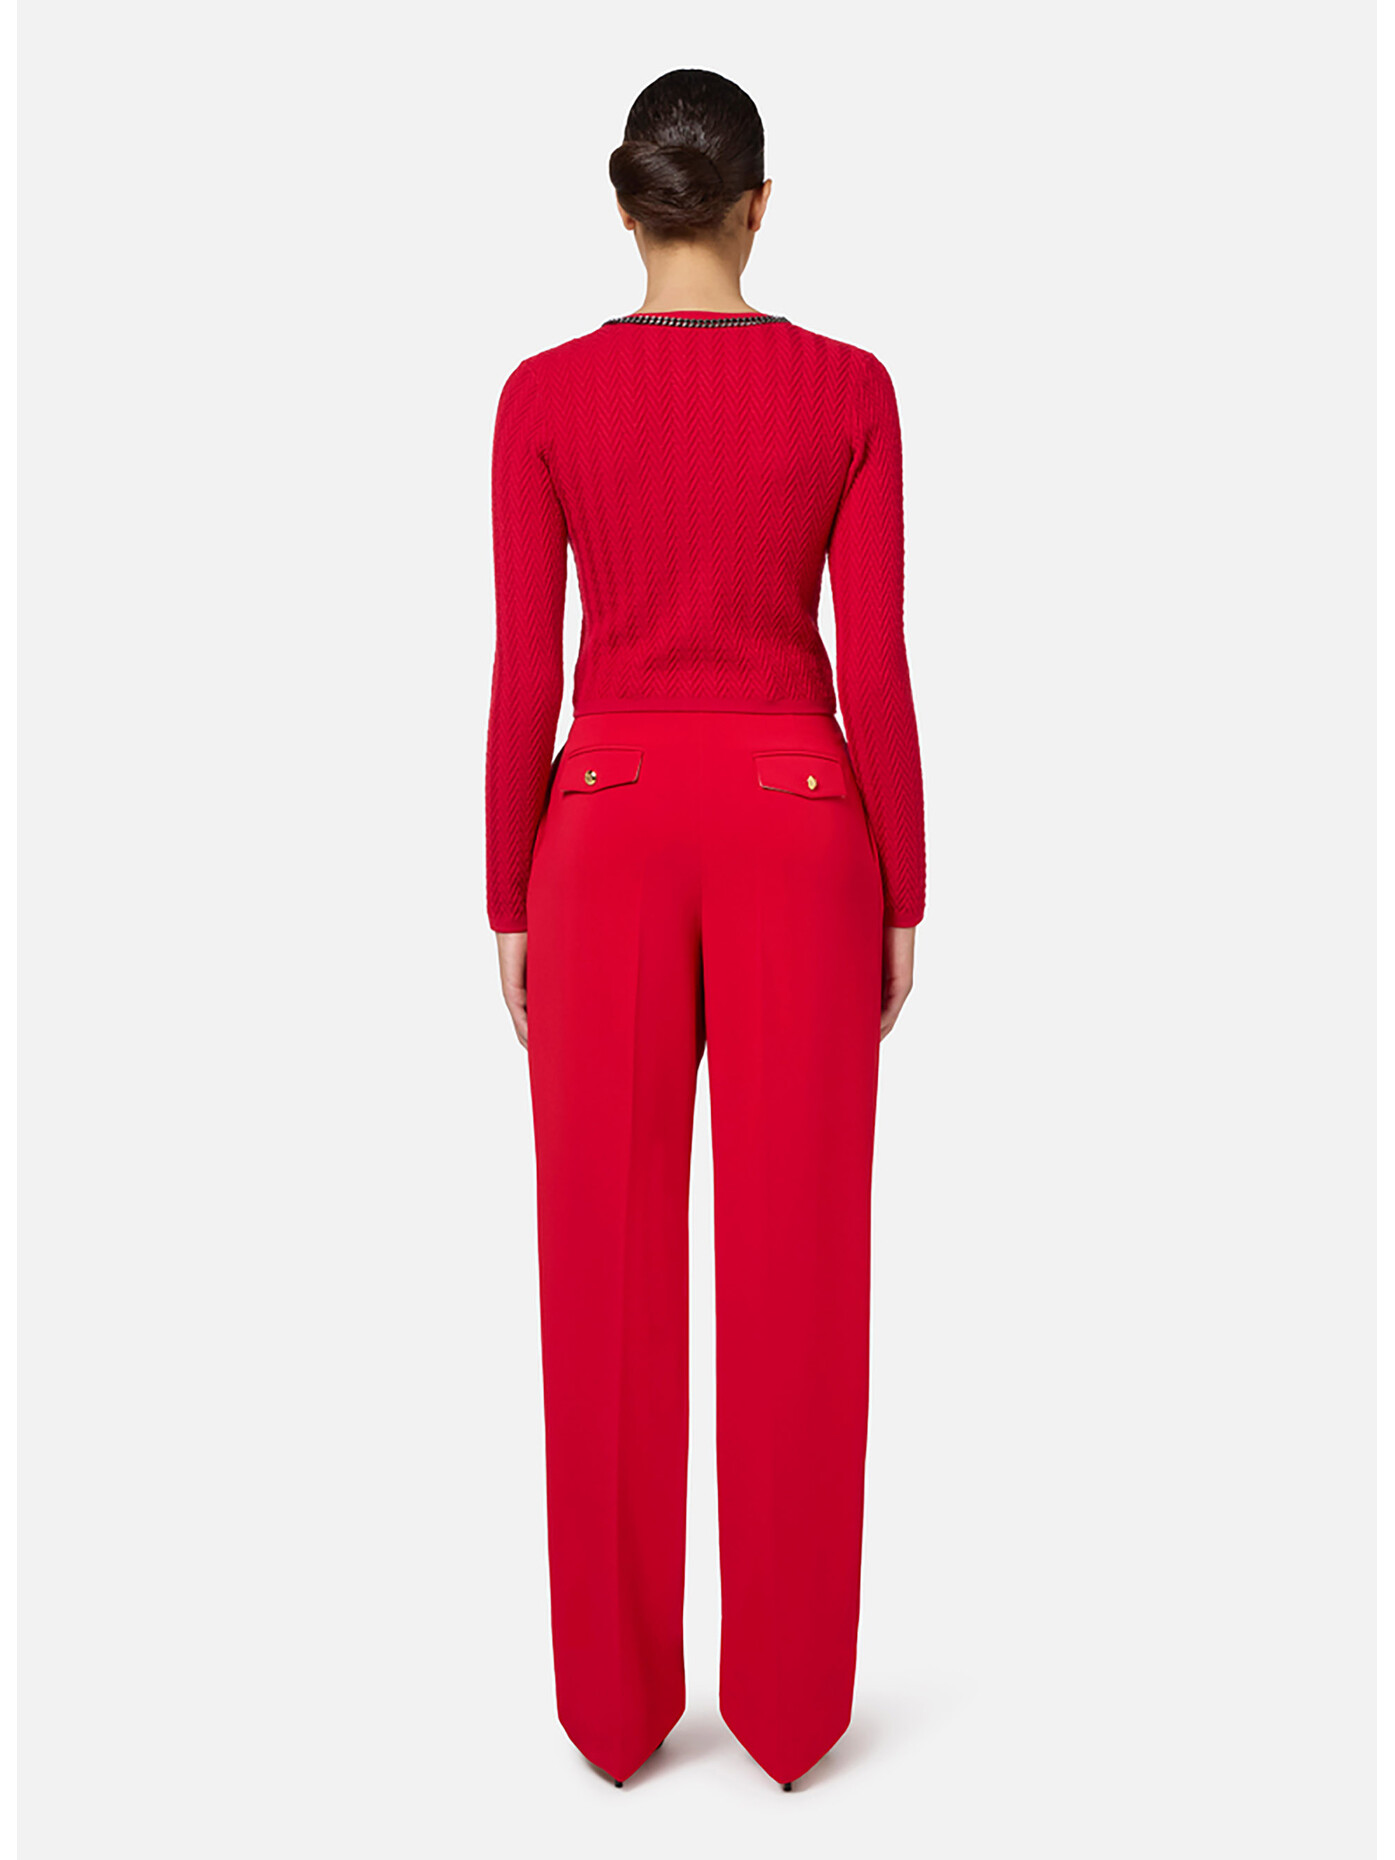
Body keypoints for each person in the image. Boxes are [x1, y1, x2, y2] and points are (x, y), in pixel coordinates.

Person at [484, 67, 925, 1791]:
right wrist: (905, 881)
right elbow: (873, 661)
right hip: (803, 830)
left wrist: (504, 888)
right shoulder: (849, 392)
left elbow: (525, 669)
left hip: (596, 832)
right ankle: (792, 1707)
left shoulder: (543, 398)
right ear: (758, 203)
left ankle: (613, 1707)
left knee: (598, 1265)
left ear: (625, 209)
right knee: (803, 1264)